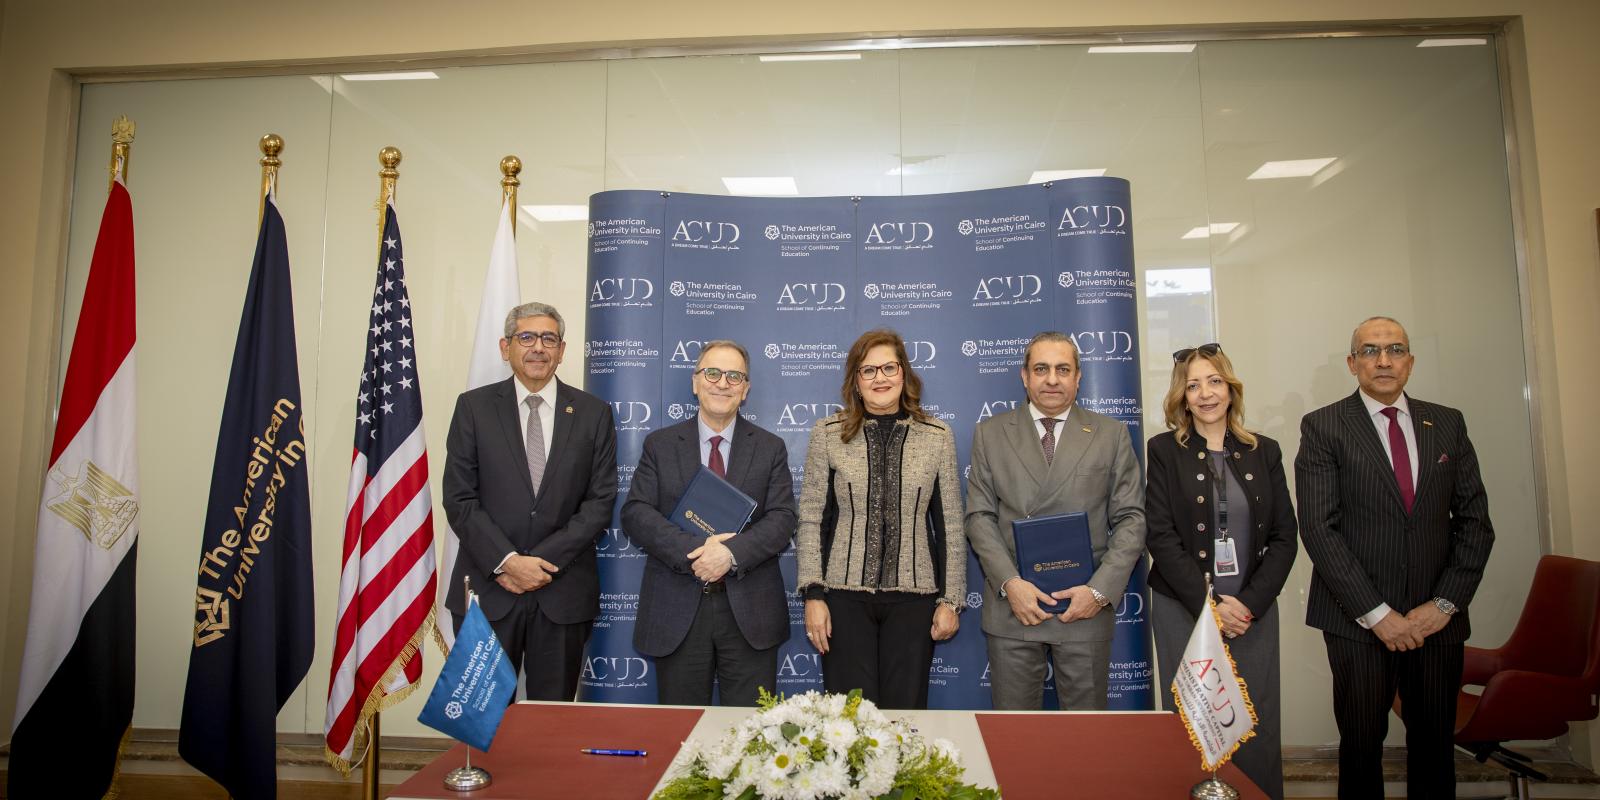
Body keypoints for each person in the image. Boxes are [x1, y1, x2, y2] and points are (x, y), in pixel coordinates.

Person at [1296, 316, 1494, 799]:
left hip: (1435, 622)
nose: (1382, 360)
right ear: (1352, 363)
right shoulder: (1324, 426)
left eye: (1394, 349)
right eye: (1369, 351)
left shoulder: (1447, 422)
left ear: (1410, 361)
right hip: (1357, 621)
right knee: (1362, 748)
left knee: (1434, 748)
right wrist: (1378, 615)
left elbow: (1475, 524)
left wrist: (1443, 605)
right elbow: (1320, 531)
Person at [442, 301, 618, 701]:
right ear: (506, 348)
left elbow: (599, 502)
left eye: (548, 338)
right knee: (482, 715)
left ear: (562, 349)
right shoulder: (473, 408)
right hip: (490, 589)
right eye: (527, 337)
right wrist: (508, 562)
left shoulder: (593, 413)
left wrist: (539, 565)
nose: (538, 347)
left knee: (551, 727)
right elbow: (459, 498)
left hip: (563, 593)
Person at [1146, 343, 1298, 800]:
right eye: (1193, 385)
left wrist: (1247, 604)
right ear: (1182, 396)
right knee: (1191, 721)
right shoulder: (1164, 451)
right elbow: (1160, 534)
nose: (1205, 393)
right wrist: (1208, 606)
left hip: (1250, 610)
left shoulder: (1263, 450)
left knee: (1254, 723)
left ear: (1230, 388)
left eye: (1214, 381)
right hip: (1183, 609)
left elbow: (1285, 538)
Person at [966, 330, 1145, 710]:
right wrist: (1011, 585)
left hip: (1082, 609)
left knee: (1087, 740)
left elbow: (1131, 520)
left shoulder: (1110, 435)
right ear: (1024, 376)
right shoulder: (991, 434)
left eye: (1063, 369)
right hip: (1014, 609)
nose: (1052, 379)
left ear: (1078, 377)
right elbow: (979, 517)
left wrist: (1097, 592)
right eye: (1041, 368)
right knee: (1016, 739)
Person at [795, 329, 966, 709]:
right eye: (868, 370)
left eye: (889, 367)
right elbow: (810, 520)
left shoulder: (937, 435)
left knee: (905, 720)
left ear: (904, 374)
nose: (880, 378)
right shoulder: (827, 434)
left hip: (914, 601)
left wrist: (950, 600)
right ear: (855, 381)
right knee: (848, 720)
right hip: (842, 600)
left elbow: (951, 525)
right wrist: (813, 594)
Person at [622, 340, 797, 705]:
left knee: (751, 739)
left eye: (734, 376)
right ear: (695, 382)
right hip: (677, 610)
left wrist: (729, 555)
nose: (723, 383)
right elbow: (637, 513)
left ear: (746, 389)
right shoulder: (660, 444)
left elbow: (782, 519)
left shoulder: (770, 447)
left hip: (751, 613)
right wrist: (699, 552)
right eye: (712, 373)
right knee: (681, 738)